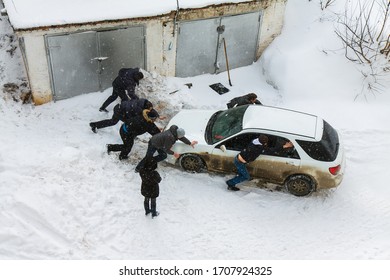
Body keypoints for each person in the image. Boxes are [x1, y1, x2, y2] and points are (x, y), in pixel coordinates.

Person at [226, 135, 293, 191]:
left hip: (240, 159)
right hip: (239, 162)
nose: (266, 144)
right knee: (246, 177)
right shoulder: (258, 148)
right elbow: (271, 150)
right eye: (265, 143)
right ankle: (230, 183)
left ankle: (236, 179)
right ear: (263, 143)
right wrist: (284, 146)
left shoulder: (254, 142)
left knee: (242, 173)